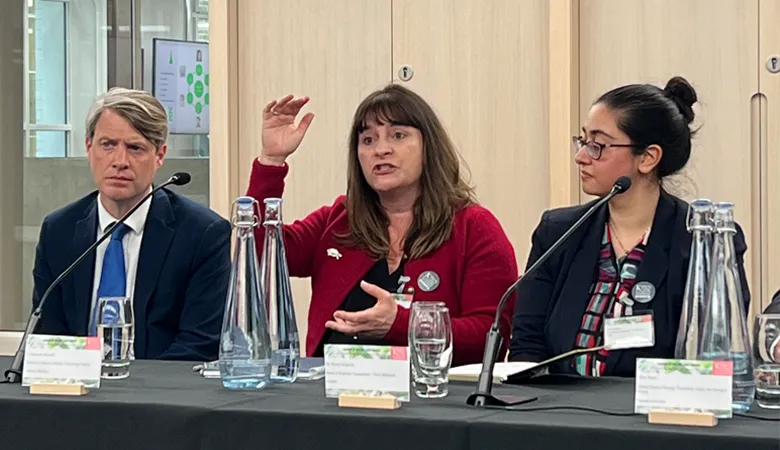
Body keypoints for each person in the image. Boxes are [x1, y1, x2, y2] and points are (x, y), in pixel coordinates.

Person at [246, 84, 518, 366]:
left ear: (429, 147)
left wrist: (402, 324)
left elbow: (491, 339)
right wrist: (272, 161)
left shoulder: (474, 227)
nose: (381, 150)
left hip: (433, 400)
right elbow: (258, 256)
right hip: (331, 398)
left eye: (398, 136)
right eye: (368, 140)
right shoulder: (340, 220)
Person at [509, 76, 751, 377]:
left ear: (648, 158)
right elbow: (526, 347)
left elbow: (715, 353)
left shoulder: (702, 240)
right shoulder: (558, 232)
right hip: (558, 413)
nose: (581, 157)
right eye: (583, 141)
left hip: (655, 417)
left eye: (598, 145)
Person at [32, 87, 231, 361]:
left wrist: (131, 393)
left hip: (159, 397)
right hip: (75, 396)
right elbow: (48, 336)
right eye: (108, 145)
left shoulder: (202, 234)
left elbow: (200, 344)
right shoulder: (59, 231)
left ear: (160, 155)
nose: (120, 162)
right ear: (89, 148)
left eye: (135, 148)